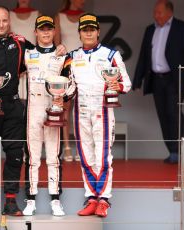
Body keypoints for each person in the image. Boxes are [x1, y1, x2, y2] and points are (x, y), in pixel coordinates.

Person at [0, 6, 66, 216]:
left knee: (14, 154)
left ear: (9, 22)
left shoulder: (21, 43)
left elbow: (41, 52)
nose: (1, 24)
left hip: (12, 106)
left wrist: (59, 49)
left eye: (5, 20)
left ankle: (11, 199)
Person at [63, 13, 131, 218]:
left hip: (102, 110)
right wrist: (60, 95)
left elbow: (126, 84)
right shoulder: (72, 57)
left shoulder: (111, 55)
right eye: (85, 29)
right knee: (86, 156)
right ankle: (91, 197)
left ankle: (104, 199)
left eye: (92, 29)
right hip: (81, 110)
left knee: (103, 157)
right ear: (80, 33)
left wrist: (115, 85)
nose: (89, 33)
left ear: (98, 31)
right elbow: (69, 87)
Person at [132, 1, 184, 164]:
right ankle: (171, 151)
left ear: (169, 12)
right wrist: (137, 80)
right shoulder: (150, 30)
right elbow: (143, 56)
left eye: (159, 12)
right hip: (157, 79)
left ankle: (177, 150)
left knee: (173, 112)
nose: (156, 15)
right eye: (155, 12)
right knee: (162, 115)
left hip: (175, 79)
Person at [23, 15, 70, 216]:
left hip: (53, 110)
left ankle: (55, 199)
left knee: (53, 157)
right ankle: (30, 198)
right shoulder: (26, 54)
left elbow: (71, 83)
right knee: (32, 157)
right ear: (35, 32)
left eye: (49, 29)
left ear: (54, 31)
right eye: (41, 29)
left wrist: (64, 98)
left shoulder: (63, 56)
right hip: (33, 109)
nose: (45, 32)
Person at [54, 0, 85, 162]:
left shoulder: (85, 17)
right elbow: (57, 44)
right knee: (65, 106)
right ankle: (66, 147)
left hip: (82, 65)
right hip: (66, 66)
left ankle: (81, 146)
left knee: (81, 107)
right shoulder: (59, 17)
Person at [10, 0, 40, 102]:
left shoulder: (38, 15)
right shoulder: (9, 15)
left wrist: (29, 63)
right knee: (14, 102)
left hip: (33, 63)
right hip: (14, 64)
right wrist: (18, 66)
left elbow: (40, 43)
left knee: (32, 101)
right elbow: (8, 40)